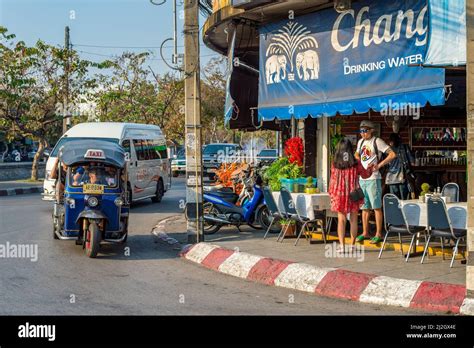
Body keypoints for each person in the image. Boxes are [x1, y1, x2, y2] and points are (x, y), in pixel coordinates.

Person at [354, 120, 397, 244]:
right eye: (361, 131)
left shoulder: (377, 141)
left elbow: (392, 154)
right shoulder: (360, 142)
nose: (362, 133)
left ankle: (378, 233)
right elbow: (357, 154)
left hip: (374, 178)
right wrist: (359, 162)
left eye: (365, 131)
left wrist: (379, 165)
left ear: (371, 130)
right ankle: (365, 232)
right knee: (364, 207)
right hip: (363, 178)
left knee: (376, 206)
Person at [329, 138, 373, 253]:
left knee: (341, 220)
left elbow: (333, 180)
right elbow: (365, 175)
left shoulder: (335, 163)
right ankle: (352, 245)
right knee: (354, 219)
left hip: (339, 194)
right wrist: (370, 168)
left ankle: (342, 246)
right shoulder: (355, 162)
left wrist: (332, 193)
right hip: (353, 194)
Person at [385, 133, 415, 200]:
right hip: (402, 177)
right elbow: (413, 162)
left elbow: (385, 163)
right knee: (404, 200)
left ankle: (396, 210)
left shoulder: (387, 150)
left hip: (391, 178)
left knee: (394, 200)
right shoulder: (404, 147)